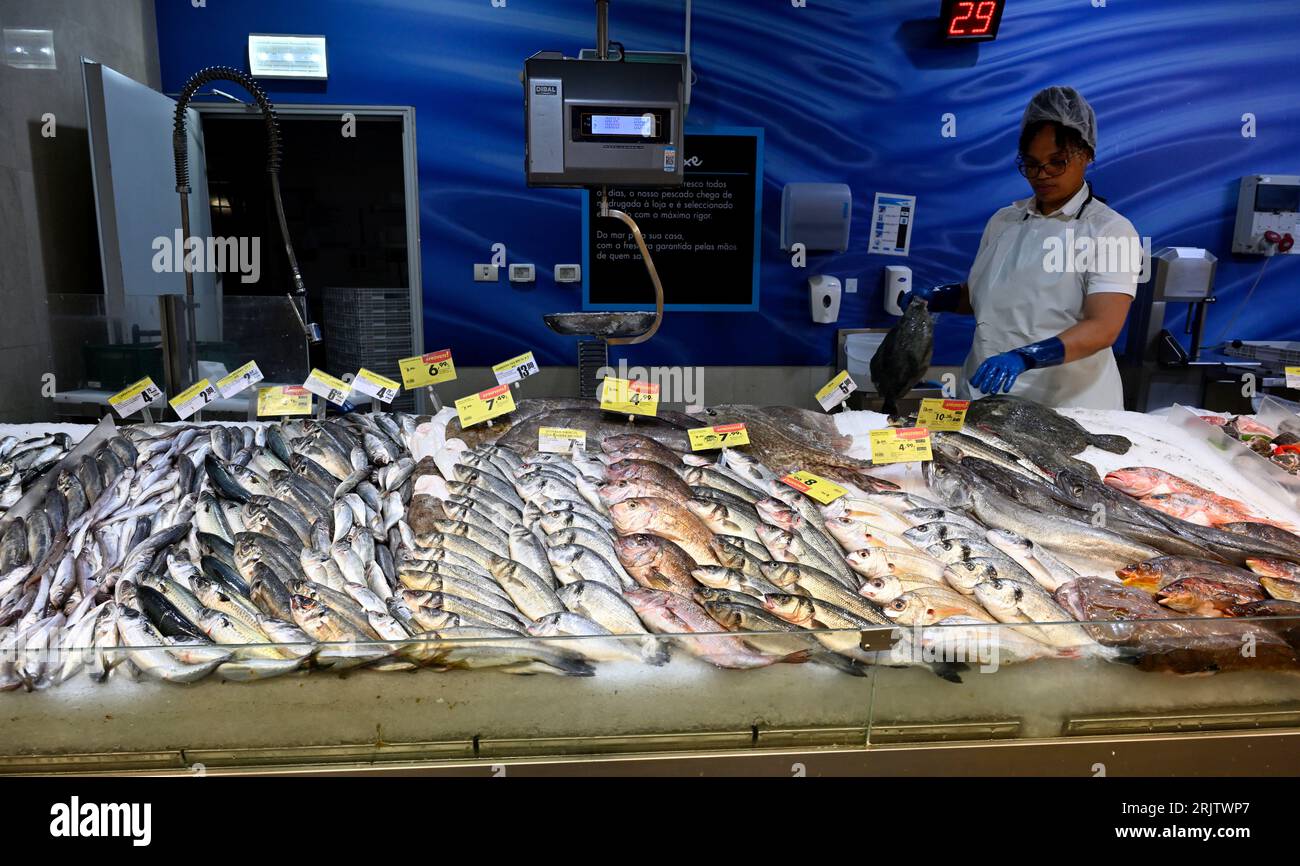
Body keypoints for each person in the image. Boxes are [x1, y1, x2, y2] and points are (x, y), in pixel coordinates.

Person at [903, 86, 1141, 410]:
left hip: (1066, 409)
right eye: (1031, 164)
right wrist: (937, 297)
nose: (1041, 175)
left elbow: (1103, 328)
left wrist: (1025, 357)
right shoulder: (1004, 221)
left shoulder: (1110, 230)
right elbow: (986, 296)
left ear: (1086, 154)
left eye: (1056, 162)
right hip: (985, 399)